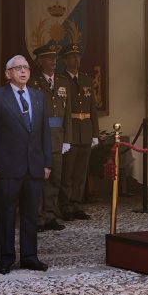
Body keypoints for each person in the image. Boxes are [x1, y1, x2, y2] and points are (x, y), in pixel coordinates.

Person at [0, 55, 52, 275]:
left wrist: (46, 162)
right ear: (8, 73)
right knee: (6, 214)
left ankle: (30, 257)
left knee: (31, 214)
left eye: (26, 68)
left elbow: (44, 133)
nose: (23, 71)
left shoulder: (39, 97)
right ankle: (5, 258)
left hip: (34, 166)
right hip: (7, 166)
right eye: (18, 68)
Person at [29, 44, 70, 231]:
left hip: (57, 138)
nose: (53, 62)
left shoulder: (63, 82)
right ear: (39, 62)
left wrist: (67, 138)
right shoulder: (33, 83)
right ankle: (37, 217)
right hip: (39, 138)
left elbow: (67, 113)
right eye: (48, 58)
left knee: (54, 179)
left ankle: (50, 216)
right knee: (38, 178)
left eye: (54, 58)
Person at [58, 43, 99, 222]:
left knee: (81, 173)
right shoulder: (60, 81)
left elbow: (93, 109)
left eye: (78, 56)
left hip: (85, 131)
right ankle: (65, 206)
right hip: (70, 132)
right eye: (72, 56)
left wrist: (95, 134)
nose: (77, 59)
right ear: (65, 60)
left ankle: (77, 205)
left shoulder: (86, 80)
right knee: (67, 172)